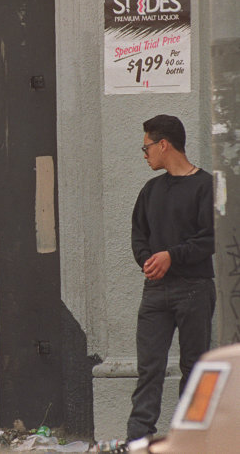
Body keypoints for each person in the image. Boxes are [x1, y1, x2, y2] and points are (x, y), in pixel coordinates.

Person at [126, 114, 215, 442]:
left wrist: (171, 256)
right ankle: (137, 441)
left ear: (164, 144)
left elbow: (211, 238)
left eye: (147, 146)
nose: (144, 153)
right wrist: (148, 261)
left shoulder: (206, 186)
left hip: (195, 289)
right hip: (155, 291)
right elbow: (138, 235)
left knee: (194, 370)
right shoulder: (150, 190)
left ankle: (191, 442)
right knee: (149, 370)